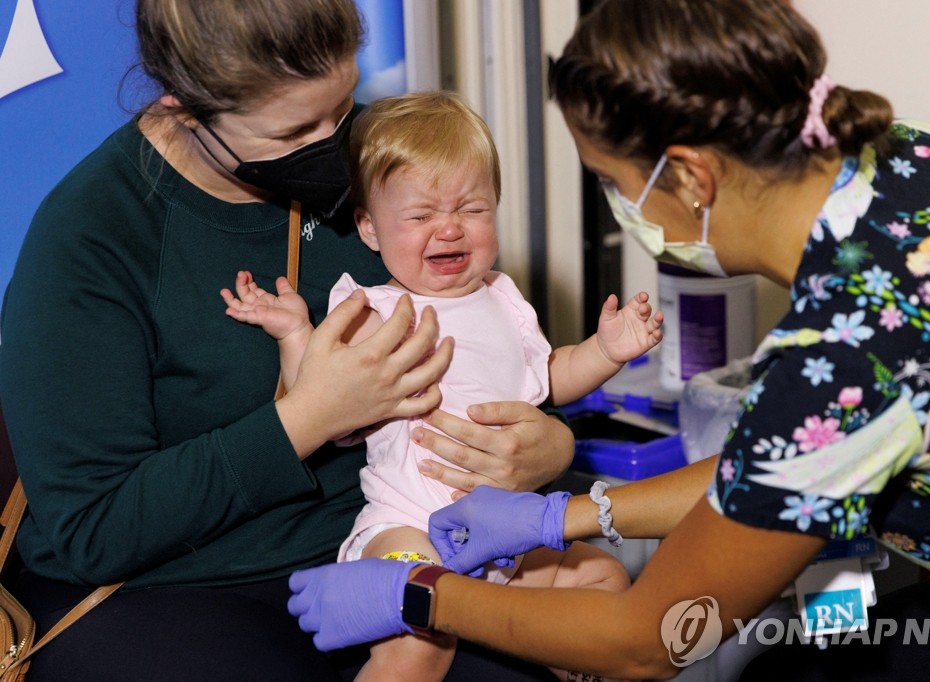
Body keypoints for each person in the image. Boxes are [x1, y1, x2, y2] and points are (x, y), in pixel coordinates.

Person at [283, 1, 930, 679]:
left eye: (610, 179)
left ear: (694, 177)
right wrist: (565, 515)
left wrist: (420, 599)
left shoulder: (837, 364)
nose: (615, 205)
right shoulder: (917, 158)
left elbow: (656, 639)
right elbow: (773, 471)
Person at [0, 1, 578, 680]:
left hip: (400, 538)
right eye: (297, 129)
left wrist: (548, 442)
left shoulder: (385, 160)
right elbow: (92, 532)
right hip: (175, 586)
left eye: (343, 105)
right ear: (185, 108)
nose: (339, 146)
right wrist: (308, 418)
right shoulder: (91, 237)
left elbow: (487, 344)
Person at [222, 91, 660, 681]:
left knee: (604, 578)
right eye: (421, 216)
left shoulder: (505, 300)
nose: (449, 229)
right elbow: (319, 404)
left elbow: (549, 379)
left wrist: (606, 350)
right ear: (371, 229)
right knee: (422, 636)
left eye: (472, 210)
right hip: (407, 528)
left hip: (508, 531)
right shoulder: (371, 309)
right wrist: (297, 334)